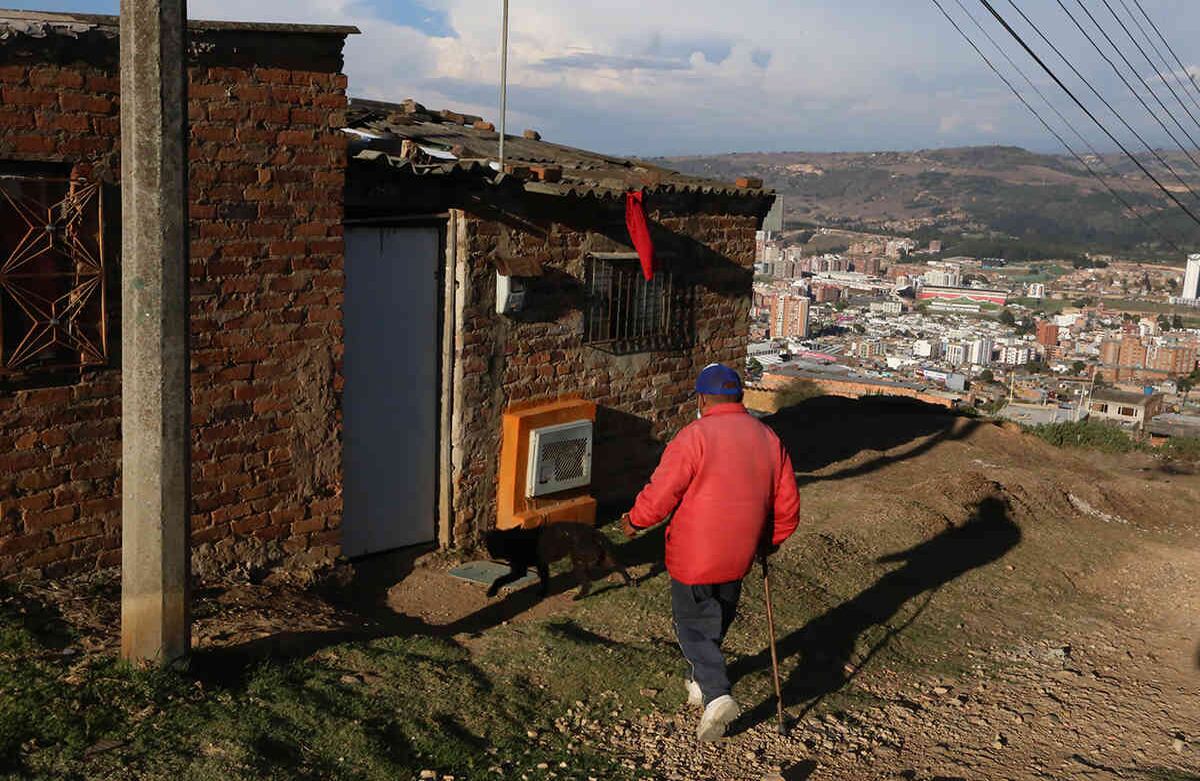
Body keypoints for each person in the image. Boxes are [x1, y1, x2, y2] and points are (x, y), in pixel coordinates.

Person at [621, 363, 801, 741]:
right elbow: (787, 503)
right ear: (739, 397)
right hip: (741, 551)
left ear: (702, 398)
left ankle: (717, 694)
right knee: (716, 618)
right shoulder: (768, 437)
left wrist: (636, 521)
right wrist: (770, 540)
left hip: (694, 552)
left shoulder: (695, 435)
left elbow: (662, 490)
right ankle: (699, 681)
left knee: (691, 626)